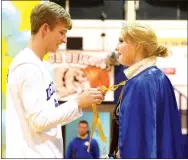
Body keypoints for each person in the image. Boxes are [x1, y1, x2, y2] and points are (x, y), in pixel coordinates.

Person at [6, 2, 104, 158]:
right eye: (61, 32)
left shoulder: (41, 65)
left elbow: (48, 119)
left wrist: (80, 102)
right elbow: (39, 121)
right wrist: (77, 102)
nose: (64, 39)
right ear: (45, 29)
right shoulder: (27, 66)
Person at [115, 22, 183, 158]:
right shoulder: (152, 77)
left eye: (121, 41)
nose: (117, 48)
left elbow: (142, 142)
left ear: (137, 45)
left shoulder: (143, 81)